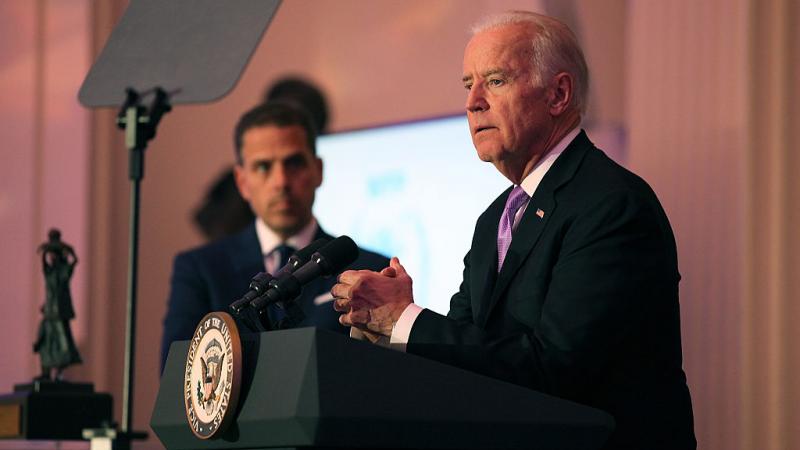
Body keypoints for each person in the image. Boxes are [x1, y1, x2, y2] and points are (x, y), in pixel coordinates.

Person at [332, 11, 695, 450]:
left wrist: (407, 319)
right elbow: (466, 360)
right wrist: (391, 325)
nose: (473, 103)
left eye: (496, 81)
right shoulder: (494, 220)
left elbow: (556, 371)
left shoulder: (611, 204)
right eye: (468, 85)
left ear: (558, 94)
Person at [161, 101, 389, 370]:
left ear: (318, 170)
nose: (281, 181)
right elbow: (177, 374)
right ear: (242, 182)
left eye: (294, 163)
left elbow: (385, 375)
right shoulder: (201, 270)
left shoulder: (369, 269)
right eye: (263, 167)